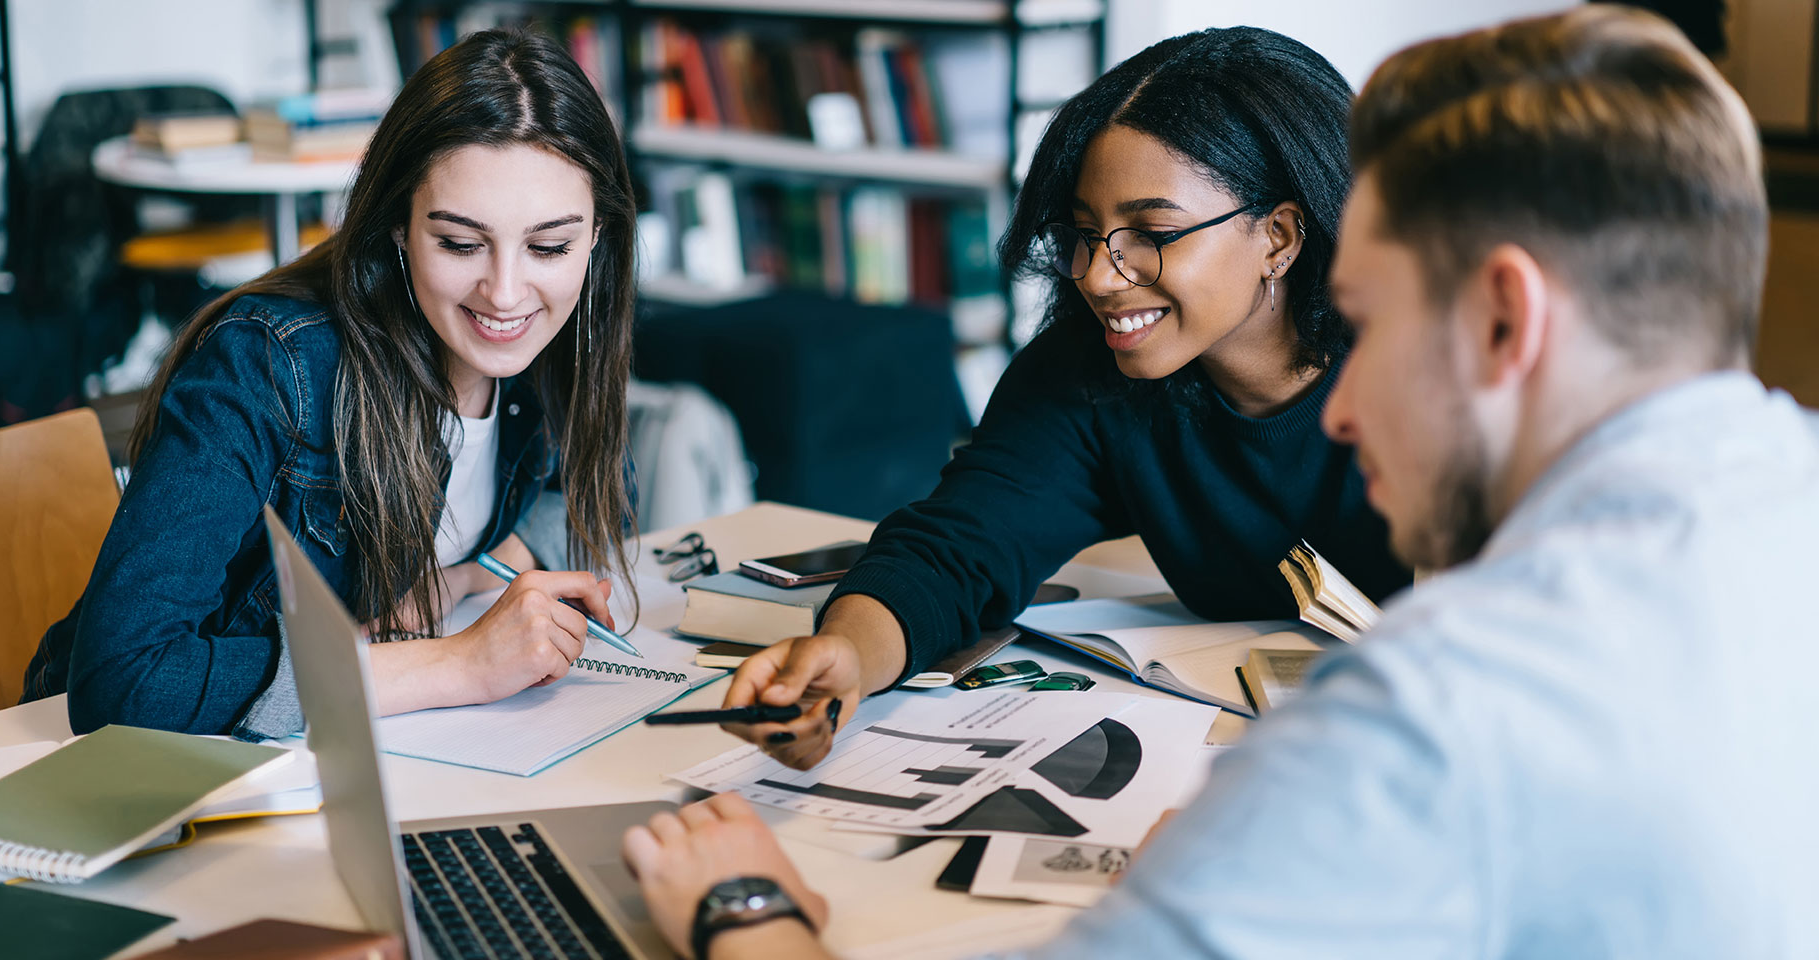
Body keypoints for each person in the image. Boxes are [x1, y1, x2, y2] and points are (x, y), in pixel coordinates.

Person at [621, 7, 1819, 959]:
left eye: (1373, 318)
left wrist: (745, 912)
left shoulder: (1432, 708)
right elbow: (965, 534)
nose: (1345, 409)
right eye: (1086, 234)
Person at [723, 27, 1412, 768]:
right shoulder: (1091, 370)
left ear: (1278, 236)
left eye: (1151, 232)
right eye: (1086, 233)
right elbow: (957, 550)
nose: (1100, 277)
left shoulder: (1435, 370)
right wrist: (846, 657)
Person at [22, 28, 638, 740]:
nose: (505, 293)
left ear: (597, 236)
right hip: (151, 776)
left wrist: (470, 576)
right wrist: (460, 664)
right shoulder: (266, 365)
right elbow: (123, 683)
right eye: (460, 244)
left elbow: (603, 490)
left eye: (549, 246)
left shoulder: (559, 340)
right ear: (400, 227)